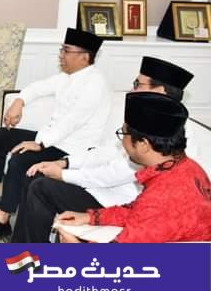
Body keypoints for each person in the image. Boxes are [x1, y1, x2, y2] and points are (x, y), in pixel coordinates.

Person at [12, 56, 194, 243]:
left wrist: (64, 175)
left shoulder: (170, 135)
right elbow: (106, 150)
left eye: (137, 84)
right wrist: (64, 163)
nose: (132, 90)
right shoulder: (144, 117)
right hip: (100, 190)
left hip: (113, 200)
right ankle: (23, 251)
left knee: (41, 187)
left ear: (160, 91)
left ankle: (32, 254)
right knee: (36, 175)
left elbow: (116, 173)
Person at [0, 28, 111, 241]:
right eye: (62, 49)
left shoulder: (95, 83)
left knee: (20, 159)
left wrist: (39, 143)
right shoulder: (68, 76)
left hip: (72, 148)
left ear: (84, 57)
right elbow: (38, 88)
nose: (61, 55)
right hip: (53, 138)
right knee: (1, 136)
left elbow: (72, 122)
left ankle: (2, 219)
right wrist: (19, 102)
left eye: (66, 51)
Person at [56, 92, 211, 243]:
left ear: (143, 144)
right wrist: (90, 217)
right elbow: (138, 212)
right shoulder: (188, 166)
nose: (122, 141)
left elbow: (118, 258)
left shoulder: (163, 196)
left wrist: (73, 249)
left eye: (123, 134)